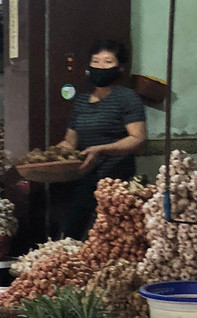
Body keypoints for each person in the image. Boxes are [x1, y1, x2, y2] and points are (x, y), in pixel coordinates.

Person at [57, 39, 147, 239]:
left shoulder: (127, 98)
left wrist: (101, 149)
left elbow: (137, 138)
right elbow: (70, 142)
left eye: (108, 62)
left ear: (120, 67)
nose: (100, 66)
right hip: (84, 184)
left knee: (103, 241)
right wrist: (50, 157)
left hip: (115, 185)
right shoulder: (81, 101)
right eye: (95, 61)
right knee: (69, 237)